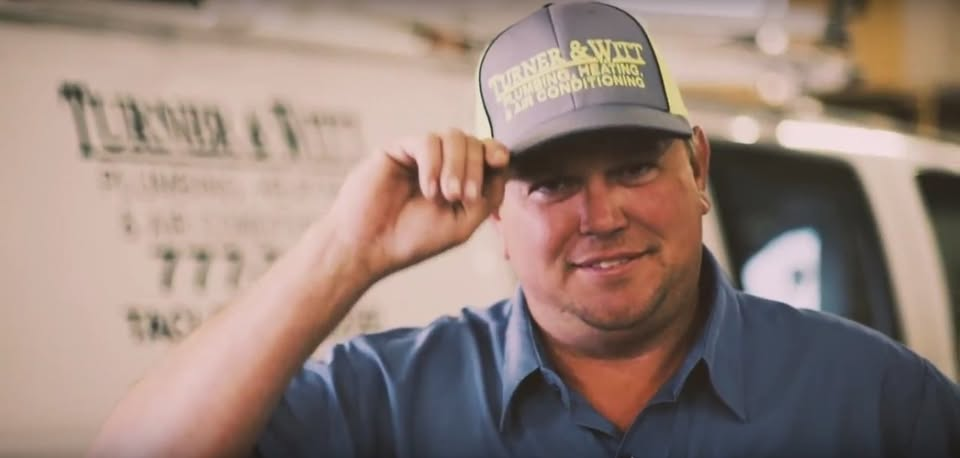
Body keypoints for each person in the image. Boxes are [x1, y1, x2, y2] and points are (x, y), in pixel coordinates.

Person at [89, 2, 960, 457]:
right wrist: (344, 253)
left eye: (633, 167)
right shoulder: (382, 403)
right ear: (496, 216)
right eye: (550, 184)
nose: (603, 215)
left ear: (698, 165)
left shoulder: (876, 399)